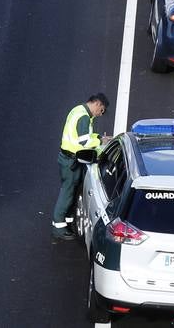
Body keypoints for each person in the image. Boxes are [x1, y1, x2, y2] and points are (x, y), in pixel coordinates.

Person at [51, 93, 110, 240]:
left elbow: (81, 136)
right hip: (71, 161)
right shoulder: (84, 117)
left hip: (68, 158)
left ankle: (68, 223)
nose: (99, 114)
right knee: (67, 192)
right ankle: (58, 227)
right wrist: (101, 141)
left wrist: (98, 137)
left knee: (70, 191)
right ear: (97, 104)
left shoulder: (78, 110)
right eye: (101, 110)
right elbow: (84, 141)